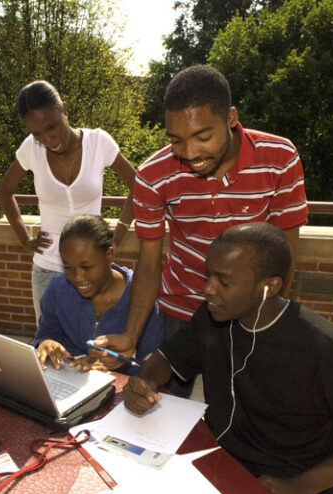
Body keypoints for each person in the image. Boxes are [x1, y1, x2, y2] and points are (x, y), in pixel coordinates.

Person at [123, 223, 333, 494]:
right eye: (209, 275)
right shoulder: (211, 318)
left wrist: (302, 487)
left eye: (224, 281)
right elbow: (167, 358)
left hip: (300, 491)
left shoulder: (326, 348)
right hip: (225, 467)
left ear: (269, 286)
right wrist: (144, 381)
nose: (208, 289)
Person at [94, 64, 309, 395]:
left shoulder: (279, 158)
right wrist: (131, 336)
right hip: (178, 310)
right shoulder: (152, 175)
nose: (190, 154)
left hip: (247, 311)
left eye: (203, 137)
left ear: (231, 118)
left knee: (240, 417)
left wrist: (270, 325)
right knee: (157, 409)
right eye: (177, 140)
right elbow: (150, 263)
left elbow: (286, 255)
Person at [0, 80, 137, 323]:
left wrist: (118, 235)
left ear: (64, 109)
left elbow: (138, 186)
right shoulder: (31, 149)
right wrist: (24, 238)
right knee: (50, 350)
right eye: (36, 133)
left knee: (95, 349)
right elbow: (5, 192)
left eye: (52, 126)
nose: (48, 139)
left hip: (93, 270)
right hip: (47, 269)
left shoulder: (98, 142)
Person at [34, 215, 162, 375]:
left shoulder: (141, 301)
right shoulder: (58, 289)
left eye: (86, 266)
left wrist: (119, 367)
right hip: (69, 382)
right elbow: (47, 332)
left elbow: (152, 367)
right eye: (68, 267)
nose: (77, 277)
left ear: (109, 255)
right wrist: (45, 343)